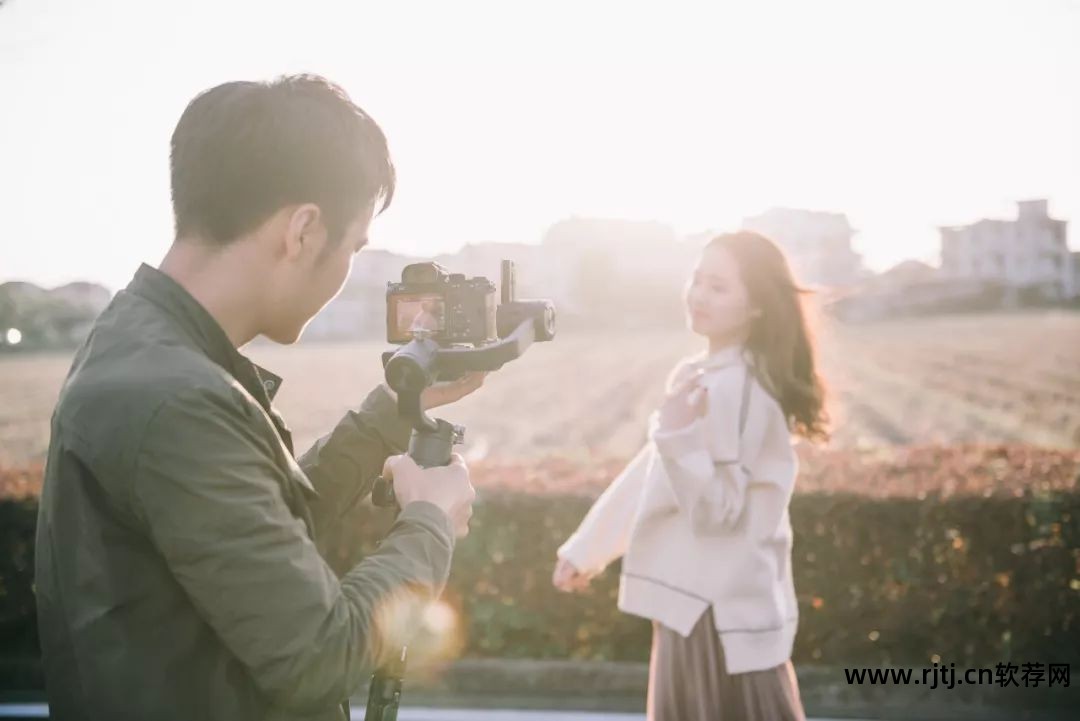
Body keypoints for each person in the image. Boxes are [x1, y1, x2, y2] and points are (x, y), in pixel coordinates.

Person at [34, 74, 481, 721]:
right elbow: (318, 653)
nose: (349, 265)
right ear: (302, 231)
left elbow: (253, 534)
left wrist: (389, 414)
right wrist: (429, 522)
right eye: (354, 245)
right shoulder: (178, 400)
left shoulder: (143, 347)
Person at [552, 231, 830, 721]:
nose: (699, 295)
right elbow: (651, 475)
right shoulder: (701, 377)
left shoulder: (743, 390)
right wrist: (587, 549)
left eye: (718, 287)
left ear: (758, 307)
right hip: (691, 609)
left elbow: (721, 513)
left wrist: (678, 435)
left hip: (718, 617)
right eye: (697, 279)